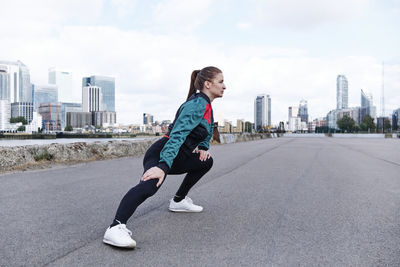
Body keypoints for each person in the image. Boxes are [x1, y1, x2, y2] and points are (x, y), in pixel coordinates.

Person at [103, 66, 226, 248]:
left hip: (179, 155)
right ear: (208, 84)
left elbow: (207, 131)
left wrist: (202, 147)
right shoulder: (197, 104)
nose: (225, 86)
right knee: (151, 185)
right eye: (221, 82)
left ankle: (178, 201)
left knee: (205, 161)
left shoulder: (207, 105)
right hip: (163, 152)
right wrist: (162, 166)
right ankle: (115, 227)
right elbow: (177, 135)